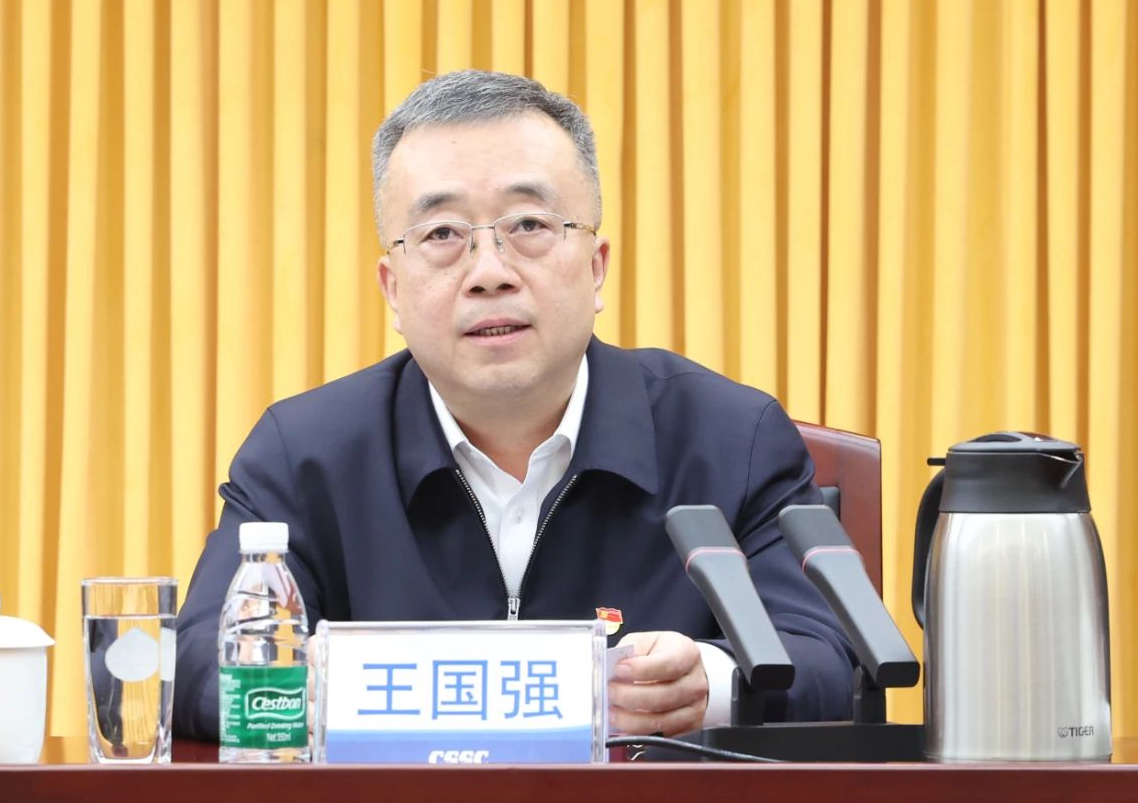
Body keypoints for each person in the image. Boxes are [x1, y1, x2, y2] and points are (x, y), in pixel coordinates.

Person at [174, 69, 855, 741]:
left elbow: (831, 657)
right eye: (442, 235)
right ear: (393, 290)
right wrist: (343, 687)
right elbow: (200, 662)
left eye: (529, 224)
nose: (489, 272)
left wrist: (711, 682)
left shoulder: (731, 439)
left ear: (596, 267)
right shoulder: (304, 454)